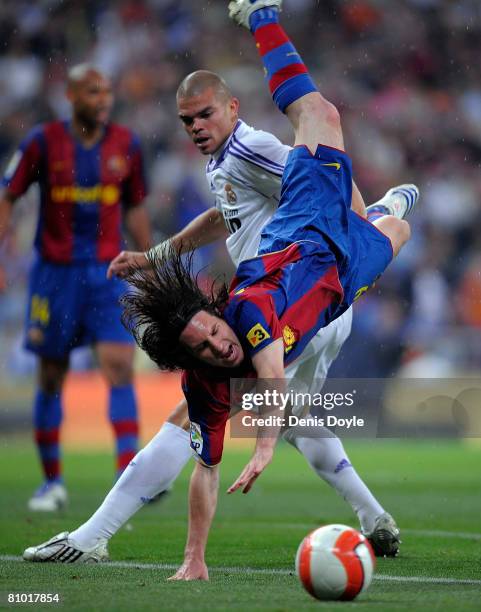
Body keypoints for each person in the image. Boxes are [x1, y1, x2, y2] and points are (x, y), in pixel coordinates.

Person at [23, 1, 416, 570]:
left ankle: (91, 535)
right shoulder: (222, 161)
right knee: (289, 413)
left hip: (277, 304)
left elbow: (321, 177)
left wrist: (361, 228)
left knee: (195, 416)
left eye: (205, 115)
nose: (196, 127)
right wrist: (156, 254)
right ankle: (373, 517)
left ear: (231, 108)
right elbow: (223, 217)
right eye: (187, 120)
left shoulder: (251, 148)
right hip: (294, 308)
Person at [0, 64, 151, 511]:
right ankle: (52, 483)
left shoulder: (128, 145)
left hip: (107, 273)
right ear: (70, 96)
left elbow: (136, 208)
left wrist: (152, 261)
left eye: (106, 92)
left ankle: (129, 477)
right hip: (55, 274)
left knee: (120, 366)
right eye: (92, 92)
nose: (102, 99)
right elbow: (9, 196)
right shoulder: (43, 143)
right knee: (51, 375)